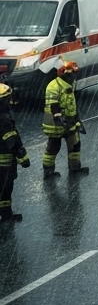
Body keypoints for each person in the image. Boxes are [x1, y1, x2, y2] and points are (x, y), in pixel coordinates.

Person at [43, 60, 87, 178]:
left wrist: (77, 120)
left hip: (70, 121)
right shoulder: (53, 86)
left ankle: (75, 168)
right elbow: (54, 105)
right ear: (63, 74)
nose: (73, 77)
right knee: (53, 147)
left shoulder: (68, 85)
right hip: (54, 123)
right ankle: (48, 171)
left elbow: (71, 105)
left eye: (73, 74)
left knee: (75, 144)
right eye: (70, 74)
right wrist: (58, 118)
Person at [0, 84, 31, 222]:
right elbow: (11, 139)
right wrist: (22, 156)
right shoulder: (3, 118)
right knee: (5, 189)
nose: (9, 101)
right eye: (6, 99)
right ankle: (6, 216)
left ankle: (5, 215)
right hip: (4, 160)